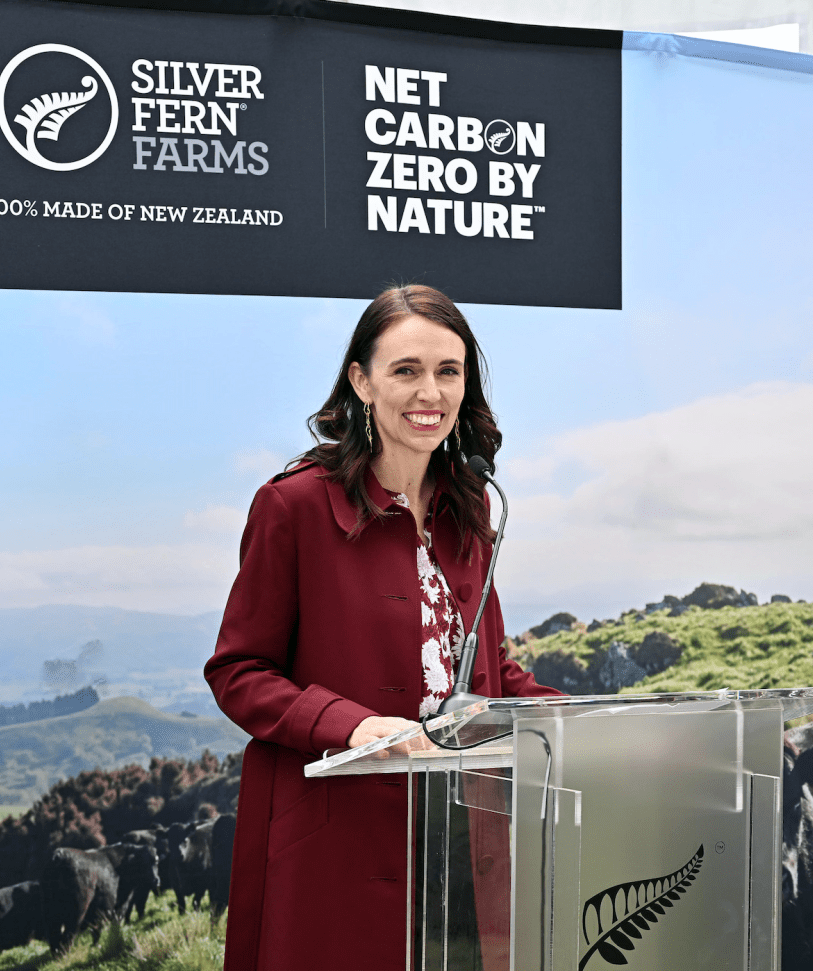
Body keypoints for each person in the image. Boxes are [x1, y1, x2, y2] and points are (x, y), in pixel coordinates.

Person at [203, 284, 560, 971]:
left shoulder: (472, 501)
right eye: (405, 370)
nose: (430, 391)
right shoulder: (294, 506)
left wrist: (593, 720)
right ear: (360, 381)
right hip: (340, 845)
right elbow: (238, 673)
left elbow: (488, 669)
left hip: (464, 838)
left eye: (447, 371)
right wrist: (350, 723)